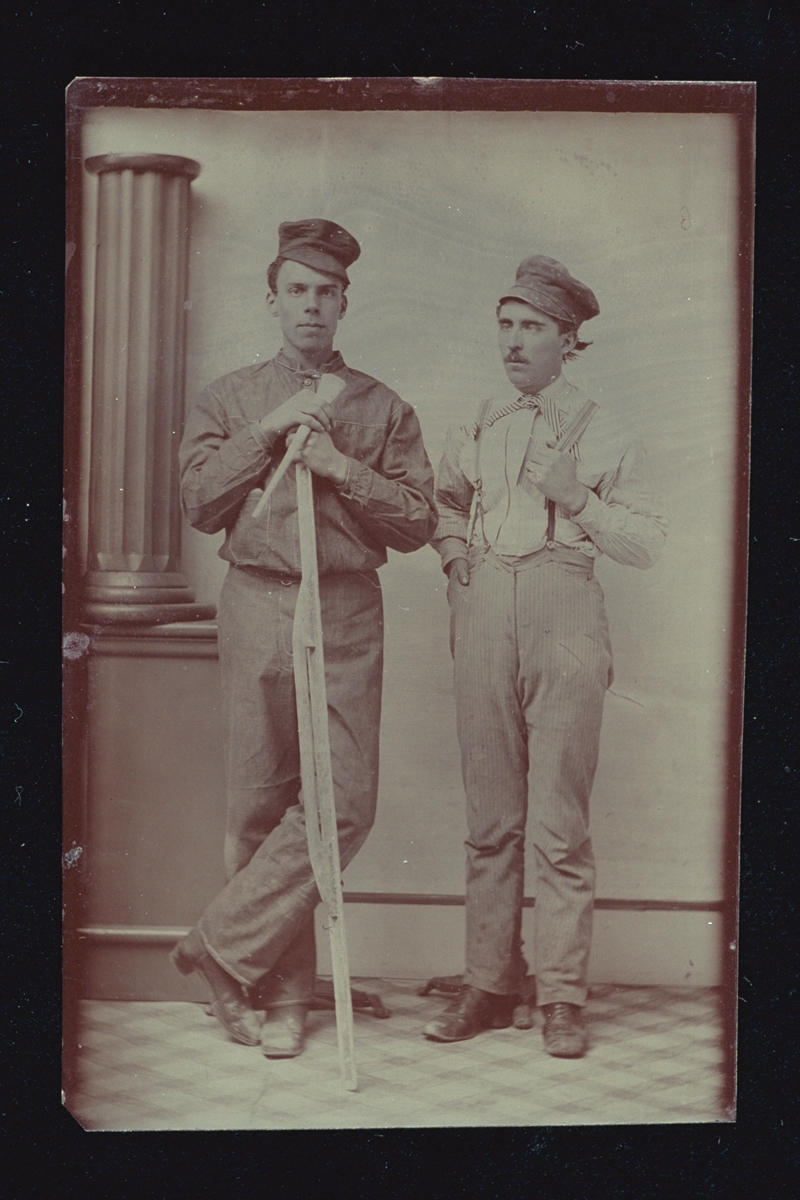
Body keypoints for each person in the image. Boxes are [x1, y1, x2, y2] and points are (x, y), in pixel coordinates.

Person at [173, 219, 437, 1057]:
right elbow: (199, 504)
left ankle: (216, 945)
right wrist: (266, 433)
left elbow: (420, 520)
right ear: (274, 298)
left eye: (327, 292)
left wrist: (340, 469)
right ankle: (275, 994)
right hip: (257, 601)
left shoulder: (382, 406)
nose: (312, 305)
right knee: (260, 803)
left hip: (347, 608)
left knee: (341, 804)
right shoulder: (228, 397)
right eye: (297, 289)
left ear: (345, 302)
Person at [425, 255, 667, 1057]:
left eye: (532, 328)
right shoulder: (481, 420)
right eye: (506, 325)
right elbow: (446, 500)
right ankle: (491, 985)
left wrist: (578, 499)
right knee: (491, 819)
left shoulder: (608, 428)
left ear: (569, 340)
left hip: (566, 618)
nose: (514, 342)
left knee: (558, 824)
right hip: (485, 612)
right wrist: (458, 560)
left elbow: (649, 543)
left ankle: (562, 997)